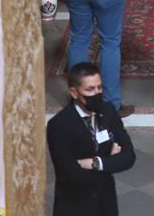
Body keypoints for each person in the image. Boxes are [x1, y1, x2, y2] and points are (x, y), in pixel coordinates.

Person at [46, 61, 136, 216]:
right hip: (75, 205)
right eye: (90, 89)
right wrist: (110, 162)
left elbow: (129, 156)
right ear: (74, 93)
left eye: (99, 87)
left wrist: (96, 163)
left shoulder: (108, 111)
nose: (97, 93)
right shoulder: (59, 125)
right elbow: (71, 174)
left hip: (106, 203)